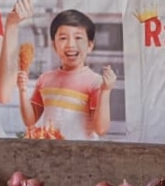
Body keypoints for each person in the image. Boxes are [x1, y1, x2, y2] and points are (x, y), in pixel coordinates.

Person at [17, 10, 117, 140]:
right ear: (54, 45)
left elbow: (101, 129)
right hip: (51, 150)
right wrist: (23, 90)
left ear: (90, 45)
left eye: (78, 38)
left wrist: (105, 91)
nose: (70, 44)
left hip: (82, 151)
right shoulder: (45, 79)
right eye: (63, 38)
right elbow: (30, 121)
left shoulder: (95, 82)